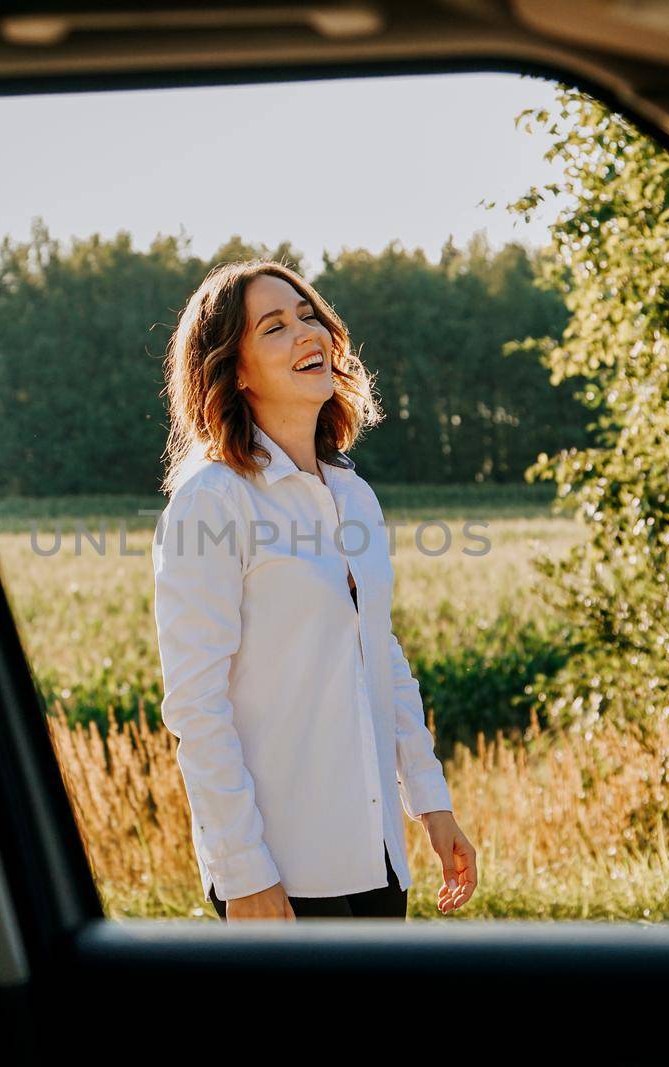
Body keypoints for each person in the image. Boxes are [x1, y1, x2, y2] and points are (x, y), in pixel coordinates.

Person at [152, 259, 480, 922]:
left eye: (309, 315)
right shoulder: (211, 503)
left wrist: (429, 799)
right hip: (282, 868)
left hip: (377, 856)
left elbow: (378, 653)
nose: (308, 333)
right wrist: (243, 871)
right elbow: (197, 707)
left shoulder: (354, 494)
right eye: (274, 326)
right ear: (234, 370)